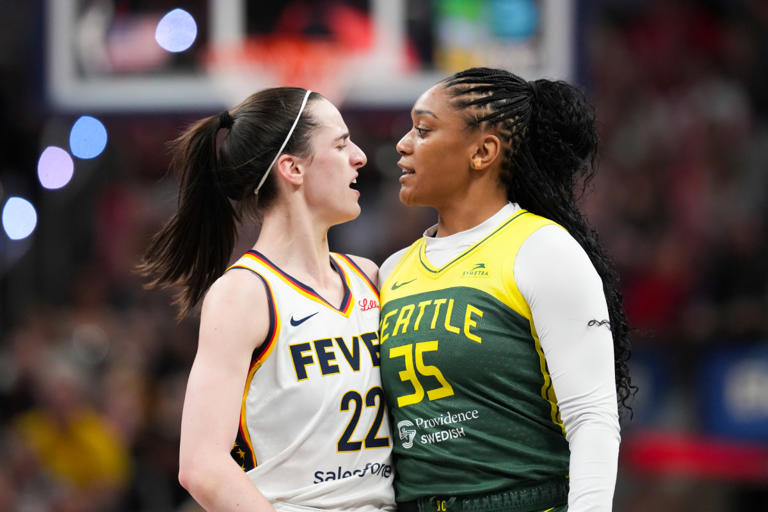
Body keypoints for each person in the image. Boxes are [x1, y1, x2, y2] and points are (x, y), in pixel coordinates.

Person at [378, 67, 634, 512]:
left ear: (483, 152)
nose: (403, 144)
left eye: (423, 129)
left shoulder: (542, 249)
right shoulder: (391, 270)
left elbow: (591, 418)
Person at [138, 87, 395, 511]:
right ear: (292, 168)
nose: (360, 156)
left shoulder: (369, 276)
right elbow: (201, 465)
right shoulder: (243, 294)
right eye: (342, 142)